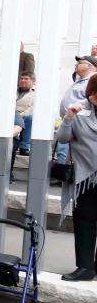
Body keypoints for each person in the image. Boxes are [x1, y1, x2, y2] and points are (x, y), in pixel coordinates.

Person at [55, 75, 97, 281]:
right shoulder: (78, 110)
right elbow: (62, 139)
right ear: (91, 93)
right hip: (85, 178)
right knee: (84, 223)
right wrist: (69, 117)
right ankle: (85, 267)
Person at [15, 72, 36, 156]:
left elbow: (32, 108)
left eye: (26, 79)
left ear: (33, 81)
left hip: (23, 116)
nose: (23, 80)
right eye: (21, 78)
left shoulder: (35, 94)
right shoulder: (12, 91)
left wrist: (19, 116)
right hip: (9, 116)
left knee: (31, 118)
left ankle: (24, 147)